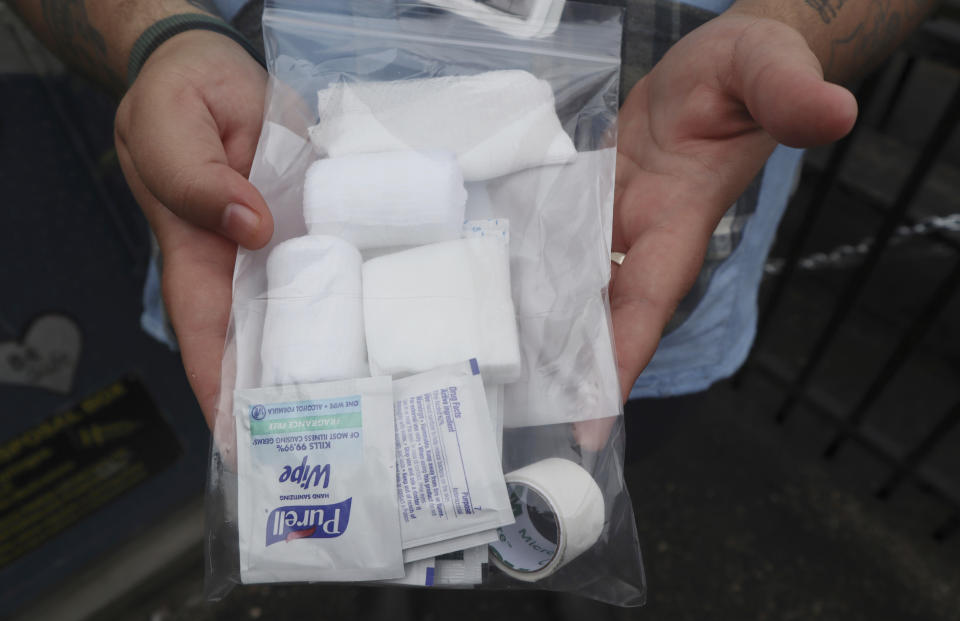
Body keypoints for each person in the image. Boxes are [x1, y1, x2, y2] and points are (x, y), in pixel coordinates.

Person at [6, 0, 936, 430]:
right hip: (258, 201)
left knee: (583, 429)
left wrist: (805, 24)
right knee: (369, 454)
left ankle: (542, 567)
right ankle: (392, 579)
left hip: (644, 241)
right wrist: (154, 32)